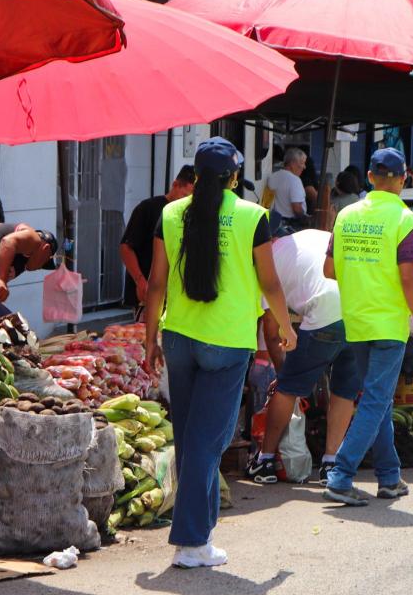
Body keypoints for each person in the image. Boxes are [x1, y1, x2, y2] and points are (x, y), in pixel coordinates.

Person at [144, 137, 296, 569]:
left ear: (194, 175)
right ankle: (190, 542)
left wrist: (149, 336)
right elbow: (269, 284)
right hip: (227, 342)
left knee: (194, 438)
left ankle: (201, 535)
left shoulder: (170, 213)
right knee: (206, 443)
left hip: (178, 338)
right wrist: (286, 328)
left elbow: (156, 284)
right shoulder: (252, 216)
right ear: (234, 177)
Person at [322, 147, 413, 506]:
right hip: (387, 322)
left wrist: (363, 270)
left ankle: (389, 477)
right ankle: (340, 476)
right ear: (403, 179)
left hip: (355, 319)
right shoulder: (404, 220)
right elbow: (407, 279)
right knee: (375, 400)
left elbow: (329, 269)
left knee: (378, 402)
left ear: (370, 177)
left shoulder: (345, 215)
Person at [247, 228, 359, 487]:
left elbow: (271, 332)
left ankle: (265, 460)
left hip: (325, 313)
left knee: (287, 389)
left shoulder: (268, 259)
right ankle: (331, 463)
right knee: (344, 391)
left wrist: (281, 372)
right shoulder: (310, 236)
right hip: (358, 312)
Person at [120, 166, 196, 319]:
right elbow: (126, 247)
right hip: (149, 295)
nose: (186, 202)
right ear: (175, 185)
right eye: (184, 195)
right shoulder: (148, 208)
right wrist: (140, 280)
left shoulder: (193, 215)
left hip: (180, 298)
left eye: (191, 199)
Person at [265, 148, 309, 227]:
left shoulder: (272, 177)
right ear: (292, 164)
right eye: (302, 163)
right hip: (291, 225)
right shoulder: (295, 180)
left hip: (275, 223)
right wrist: (306, 220)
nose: (304, 167)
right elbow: (296, 208)